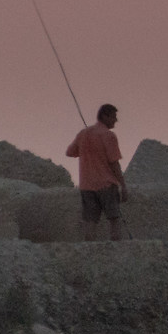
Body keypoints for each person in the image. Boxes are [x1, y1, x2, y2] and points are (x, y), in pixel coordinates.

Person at [66, 104, 129, 242]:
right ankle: (117, 249)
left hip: (86, 185)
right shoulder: (108, 135)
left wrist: (85, 147)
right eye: (114, 117)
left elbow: (70, 152)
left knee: (90, 221)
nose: (116, 120)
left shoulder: (83, 134)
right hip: (106, 183)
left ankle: (89, 252)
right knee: (114, 219)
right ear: (105, 116)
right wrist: (123, 186)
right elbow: (114, 163)